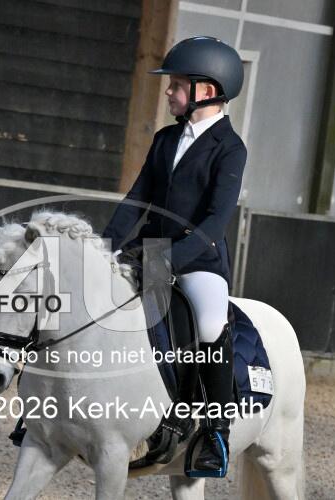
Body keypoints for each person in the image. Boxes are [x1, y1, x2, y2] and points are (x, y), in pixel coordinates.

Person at [102, 36, 246, 475]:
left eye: (176, 85)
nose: (167, 92)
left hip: (199, 259)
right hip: (150, 250)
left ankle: (216, 431)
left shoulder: (230, 148)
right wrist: (103, 248)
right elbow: (136, 199)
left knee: (209, 324)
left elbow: (215, 221)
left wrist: (169, 261)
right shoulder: (166, 138)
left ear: (206, 90)